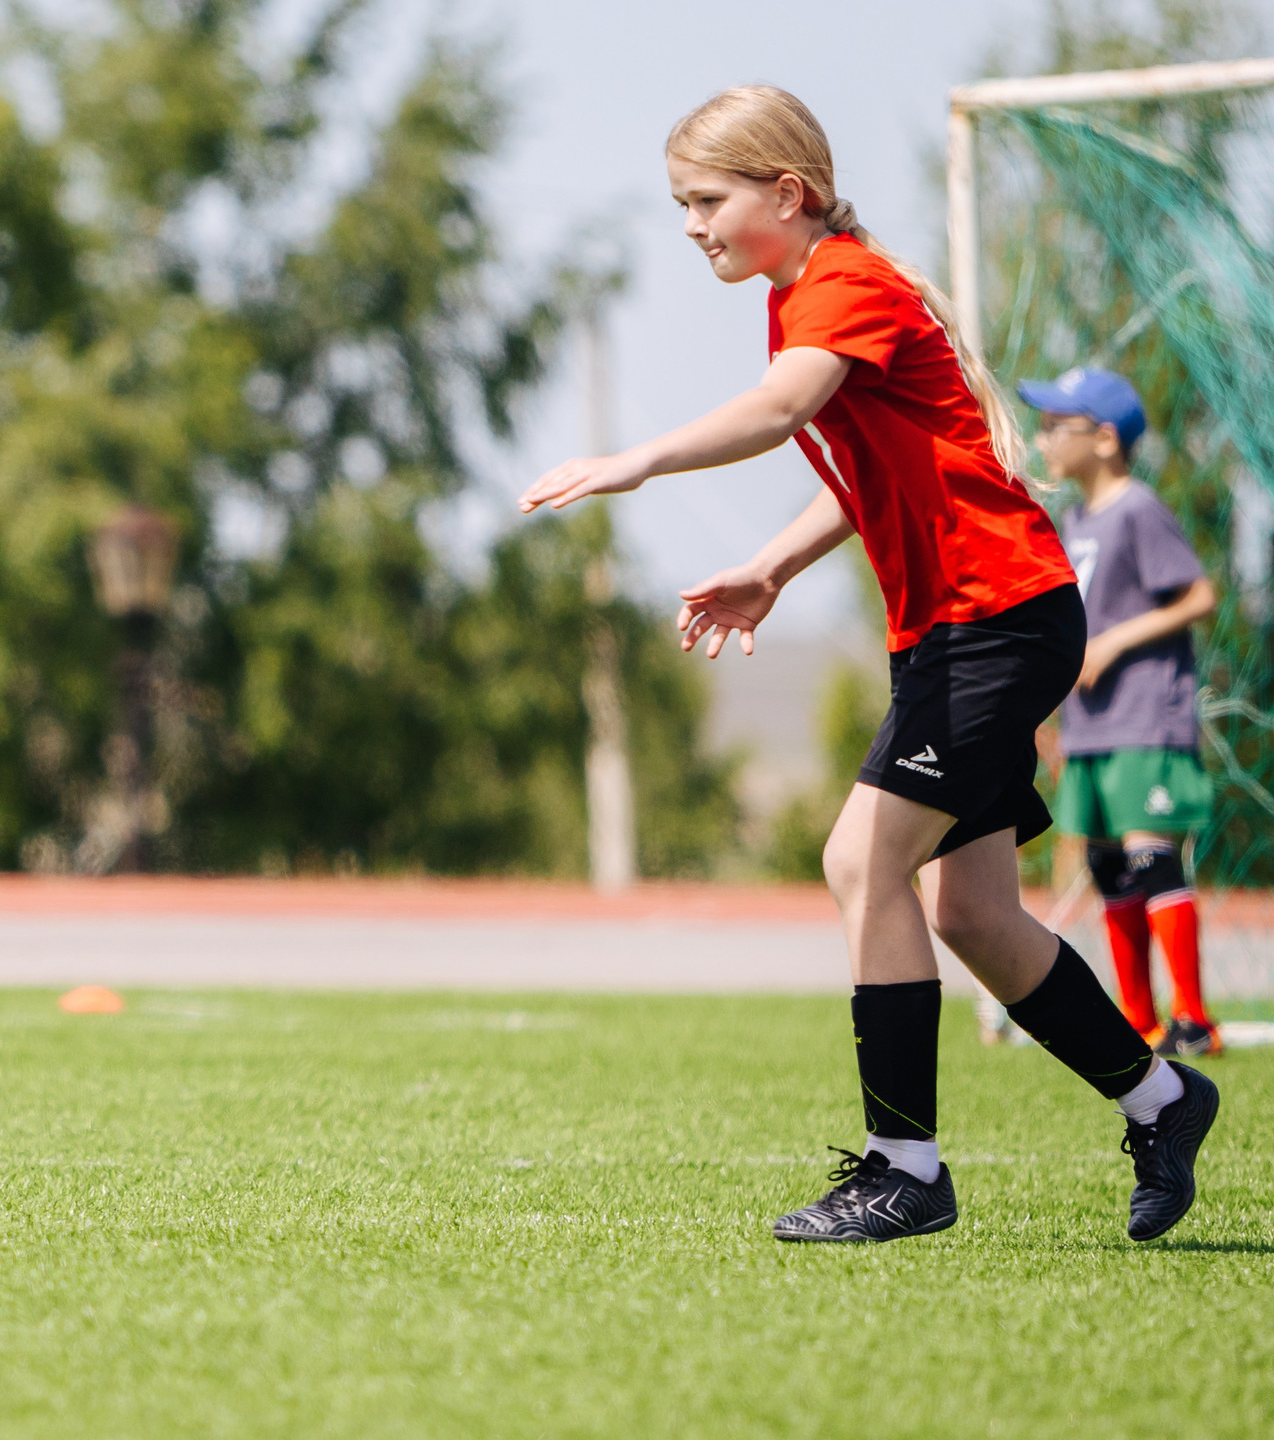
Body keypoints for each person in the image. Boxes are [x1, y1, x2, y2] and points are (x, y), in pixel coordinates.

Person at [517, 85, 1219, 1244]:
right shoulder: (800, 292)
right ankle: (1161, 1099)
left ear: (784, 193)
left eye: (706, 200)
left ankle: (905, 1169)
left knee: (859, 860)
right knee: (973, 911)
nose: (690, 225)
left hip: (995, 620)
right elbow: (859, 472)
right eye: (681, 203)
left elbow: (778, 409)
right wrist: (771, 569)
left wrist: (635, 460)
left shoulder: (839, 285)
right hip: (961, 630)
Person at [1024, 366, 1223, 1057]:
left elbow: (1198, 596)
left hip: (1144, 718)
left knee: (1151, 859)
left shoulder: (1136, 508)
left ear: (1105, 438)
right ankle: (1138, 1022)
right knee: (1108, 868)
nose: (1042, 438)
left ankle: (1193, 1020)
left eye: (1057, 426)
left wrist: (1115, 639)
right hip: (1091, 727)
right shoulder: (1073, 519)